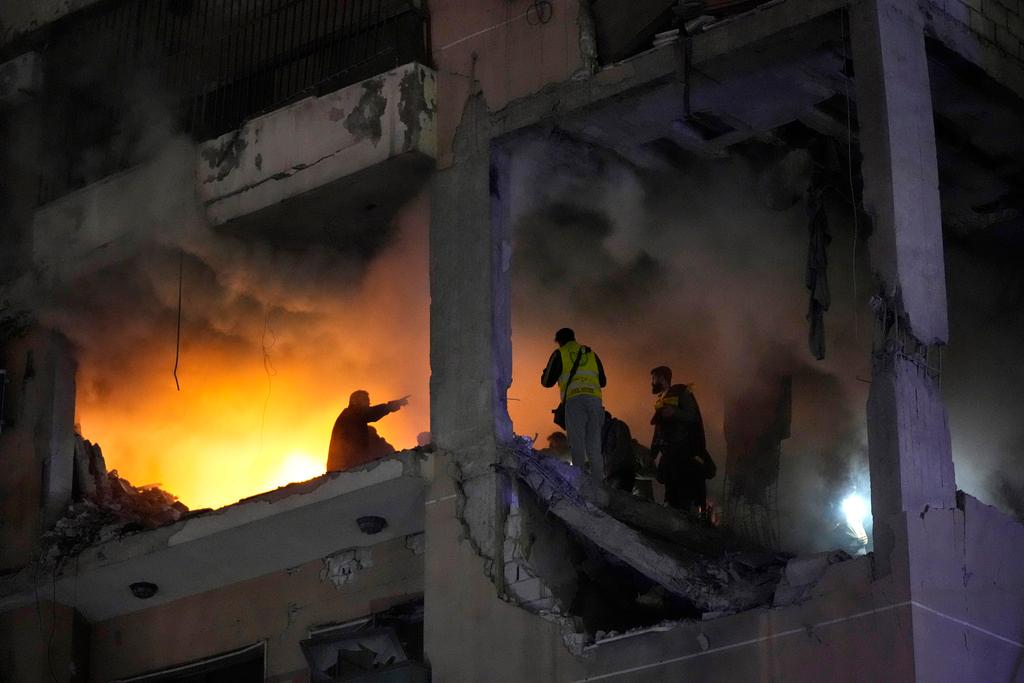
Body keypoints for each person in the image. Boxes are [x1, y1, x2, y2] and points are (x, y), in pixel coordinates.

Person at [541, 328, 607, 479]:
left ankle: (581, 485)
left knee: (577, 445)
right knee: (594, 446)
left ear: (559, 341)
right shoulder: (591, 353)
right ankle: (599, 486)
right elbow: (603, 381)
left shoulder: (560, 353)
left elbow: (546, 382)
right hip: (595, 401)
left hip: (575, 400)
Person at [649, 366, 713, 512]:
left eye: (653, 379)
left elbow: (693, 416)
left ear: (662, 378)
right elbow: (658, 431)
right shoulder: (660, 401)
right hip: (669, 454)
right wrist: (653, 453)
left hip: (684, 452)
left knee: (685, 490)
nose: (651, 383)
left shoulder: (681, 392)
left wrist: (674, 412)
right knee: (671, 492)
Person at [326, 390, 409, 472]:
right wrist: (392, 405)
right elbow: (370, 413)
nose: (369, 403)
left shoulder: (354, 418)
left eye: (369, 401)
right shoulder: (350, 413)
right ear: (354, 401)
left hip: (347, 467)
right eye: (365, 400)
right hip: (343, 467)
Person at [601, 410, 636, 493]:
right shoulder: (602, 434)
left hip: (621, 474)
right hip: (611, 475)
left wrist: (609, 466)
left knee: (619, 500)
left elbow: (623, 448)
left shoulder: (618, 426)